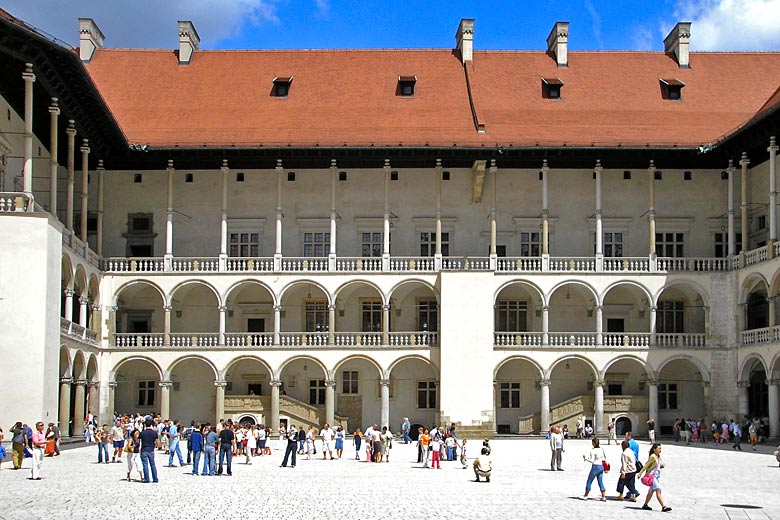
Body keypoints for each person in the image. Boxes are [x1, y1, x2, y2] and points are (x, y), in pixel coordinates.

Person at [637, 443, 671, 512]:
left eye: (660, 448)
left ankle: (645, 505)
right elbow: (646, 465)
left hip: (656, 476)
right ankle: (663, 506)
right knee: (658, 490)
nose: (660, 450)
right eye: (659, 448)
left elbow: (657, 466)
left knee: (651, 491)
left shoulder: (658, 456)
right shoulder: (652, 456)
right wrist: (640, 473)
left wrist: (661, 466)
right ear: (654, 449)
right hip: (652, 476)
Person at [139, 418, 160, 483]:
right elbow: (157, 442)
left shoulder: (142, 433)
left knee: (145, 465)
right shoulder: (154, 433)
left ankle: (147, 479)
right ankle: (155, 478)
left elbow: (138, 440)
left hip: (144, 449)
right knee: (152, 464)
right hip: (151, 449)